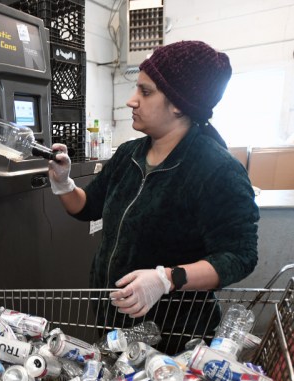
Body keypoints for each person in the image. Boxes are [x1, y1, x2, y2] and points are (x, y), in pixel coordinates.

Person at [47, 40, 259, 334]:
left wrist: (166, 279)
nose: (131, 100)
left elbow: (239, 257)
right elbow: (86, 207)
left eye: (145, 92)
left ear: (178, 104)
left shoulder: (217, 170)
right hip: (114, 319)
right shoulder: (129, 154)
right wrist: (63, 183)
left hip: (173, 333)